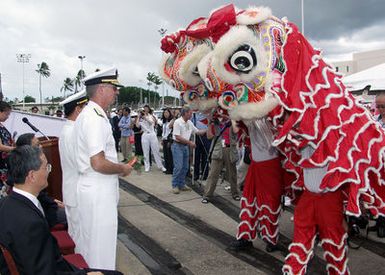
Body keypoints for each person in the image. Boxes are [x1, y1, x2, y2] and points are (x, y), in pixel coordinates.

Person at [0, 145, 122, 274]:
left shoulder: (6, 203)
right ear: (32, 176)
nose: (49, 171)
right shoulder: (30, 222)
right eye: (46, 167)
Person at [73, 67, 133, 269]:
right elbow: (98, 162)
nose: (117, 92)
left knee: (90, 247)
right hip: (98, 191)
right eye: (114, 88)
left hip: (93, 188)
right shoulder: (94, 118)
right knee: (101, 251)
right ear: (101, 89)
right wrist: (122, 168)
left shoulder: (90, 115)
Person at [15, 133, 67, 228]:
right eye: (37, 145)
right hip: (41, 210)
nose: (41, 146)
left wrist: (53, 200)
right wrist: (53, 202)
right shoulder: (26, 168)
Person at [58, 90, 88, 245]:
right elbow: (81, 164)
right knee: (80, 237)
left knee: (76, 233)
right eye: (85, 108)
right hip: (77, 191)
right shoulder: (73, 132)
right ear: (78, 109)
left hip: (72, 189)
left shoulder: (68, 129)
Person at [201, 119, 240, 203]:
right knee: (213, 173)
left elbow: (236, 131)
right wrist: (209, 124)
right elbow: (209, 136)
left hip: (229, 149)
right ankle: (207, 195)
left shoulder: (230, 122)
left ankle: (235, 193)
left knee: (232, 173)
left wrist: (231, 118)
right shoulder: (214, 123)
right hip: (218, 149)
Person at [171, 106, 206, 194]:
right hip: (177, 146)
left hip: (185, 146)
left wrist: (208, 129)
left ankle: (181, 184)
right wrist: (190, 142)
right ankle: (175, 185)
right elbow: (177, 136)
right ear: (185, 113)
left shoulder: (189, 122)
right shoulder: (177, 122)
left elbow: (197, 131)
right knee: (178, 166)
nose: (191, 114)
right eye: (190, 113)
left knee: (185, 167)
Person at [135, 104, 165, 172]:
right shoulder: (140, 118)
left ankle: (160, 166)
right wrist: (138, 117)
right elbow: (137, 126)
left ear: (148, 109)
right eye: (143, 109)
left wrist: (145, 117)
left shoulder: (151, 116)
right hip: (145, 134)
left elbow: (152, 123)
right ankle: (147, 166)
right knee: (145, 151)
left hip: (152, 134)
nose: (145, 110)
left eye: (146, 109)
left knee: (156, 151)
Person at [0, 101, 15, 198]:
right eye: (6, 114)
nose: (7, 117)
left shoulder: (1, 125)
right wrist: (14, 149)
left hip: (6, 165)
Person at [192, 111, 211, 181]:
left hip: (206, 136)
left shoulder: (207, 114)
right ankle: (196, 174)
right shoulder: (193, 114)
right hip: (196, 136)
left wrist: (205, 131)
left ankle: (204, 174)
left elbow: (210, 125)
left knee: (205, 156)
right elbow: (190, 125)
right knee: (196, 156)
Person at [161, 108, 175, 174]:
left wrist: (174, 117)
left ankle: (171, 169)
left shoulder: (172, 120)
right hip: (164, 139)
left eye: (167, 113)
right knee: (165, 155)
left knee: (170, 155)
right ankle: (167, 168)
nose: (165, 114)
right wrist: (162, 139)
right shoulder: (164, 122)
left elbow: (170, 127)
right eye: (164, 113)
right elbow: (163, 132)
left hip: (169, 140)